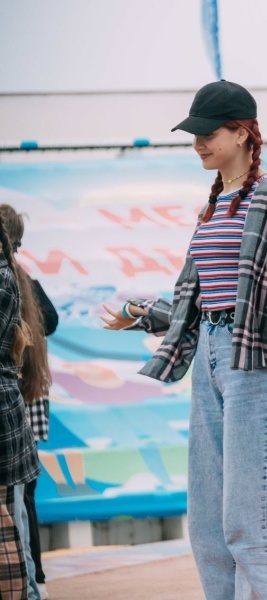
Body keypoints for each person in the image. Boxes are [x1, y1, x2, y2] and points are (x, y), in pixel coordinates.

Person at [98, 80, 267, 600]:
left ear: (241, 134)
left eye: (207, 133)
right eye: (194, 134)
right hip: (212, 355)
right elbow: (200, 300)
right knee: (207, 520)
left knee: (250, 520)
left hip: (256, 359)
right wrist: (142, 313)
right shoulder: (214, 204)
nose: (197, 143)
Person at [0, 205, 55, 600]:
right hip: (23, 397)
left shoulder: (9, 279)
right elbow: (51, 321)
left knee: (16, 504)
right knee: (21, 498)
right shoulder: (20, 279)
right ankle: (35, 582)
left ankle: (32, 587)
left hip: (14, 400)